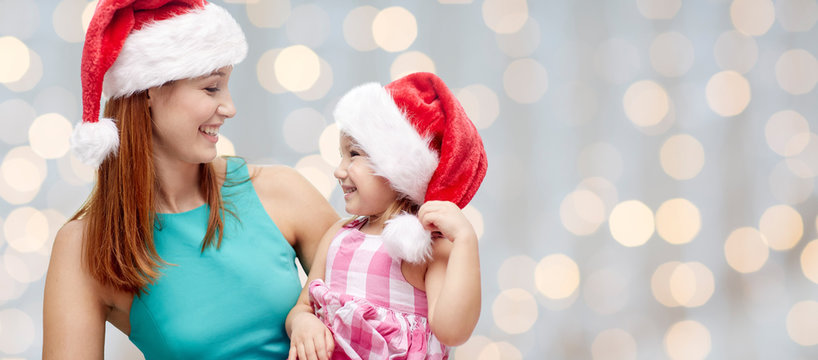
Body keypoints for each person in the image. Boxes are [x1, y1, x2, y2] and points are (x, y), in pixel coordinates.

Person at [42, 1, 338, 358]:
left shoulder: (282, 192)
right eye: (211, 88)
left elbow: (384, 301)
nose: (229, 107)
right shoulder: (86, 247)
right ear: (149, 90)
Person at [286, 72, 488, 359]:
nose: (339, 170)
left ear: (397, 169)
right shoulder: (338, 235)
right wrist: (302, 322)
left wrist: (465, 243)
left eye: (354, 154)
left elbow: (453, 331)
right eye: (341, 156)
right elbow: (302, 307)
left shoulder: (426, 248)